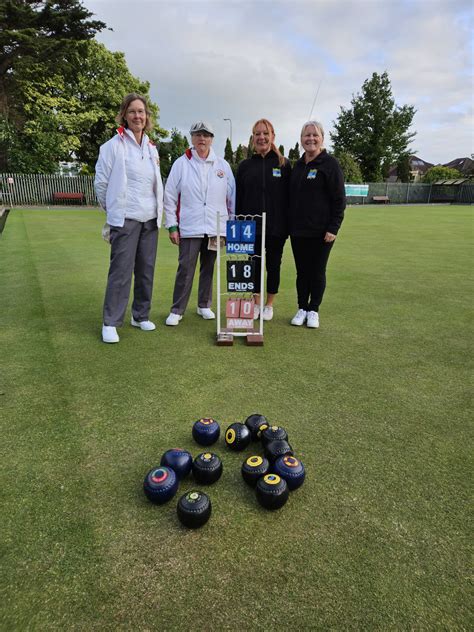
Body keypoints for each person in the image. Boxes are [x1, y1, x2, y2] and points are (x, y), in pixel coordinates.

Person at [95, 93, 163, 343]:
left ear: (147, 117)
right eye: (133, 111)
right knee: (121, 272)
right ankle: (111, 321)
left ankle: (140, 315)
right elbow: (101, 183)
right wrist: (112, 212)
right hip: (125, 219)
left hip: (150, 218)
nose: (138, 116)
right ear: (124, 114)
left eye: (142, 112)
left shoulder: (152, 147)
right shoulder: (113, 146)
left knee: (146, 270)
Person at [164, 121, 235, 326]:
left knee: (209, 267)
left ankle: (204, 305)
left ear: (212, 139)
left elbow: (231, 197)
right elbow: (169, 196)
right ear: (192, 138)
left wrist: (230, 225)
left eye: (206, 135)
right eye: (198, 135)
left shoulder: (223, 165)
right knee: (185, 268)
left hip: (216, 227)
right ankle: (177, 309)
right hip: (189, 226)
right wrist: (172, 225)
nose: (202, 139)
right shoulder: (181, 163)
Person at [289, 120, 346, 328]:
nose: (310, 139)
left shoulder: (330, 164)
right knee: (301, 272)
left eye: (315, 135)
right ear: (301, 139)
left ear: (322, 138)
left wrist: (333, 227)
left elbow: (339, 199)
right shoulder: (297, 165)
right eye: (307, 135)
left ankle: (314, 310)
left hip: (323, 232)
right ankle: (302, 307)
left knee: (317, 271)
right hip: (298, 231)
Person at [235, 119, 291, 321]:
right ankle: (256, 302)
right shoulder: (245, 166)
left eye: (265, 133)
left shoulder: (284, 164)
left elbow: (290, 198)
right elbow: (238, 199)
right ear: (253, 138)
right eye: (257, 134)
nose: (261, 137)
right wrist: (239, 225)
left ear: (273, 136)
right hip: (250, 228)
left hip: (277, 227)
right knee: (254, 266)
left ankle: (269, 304)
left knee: (273, 266)